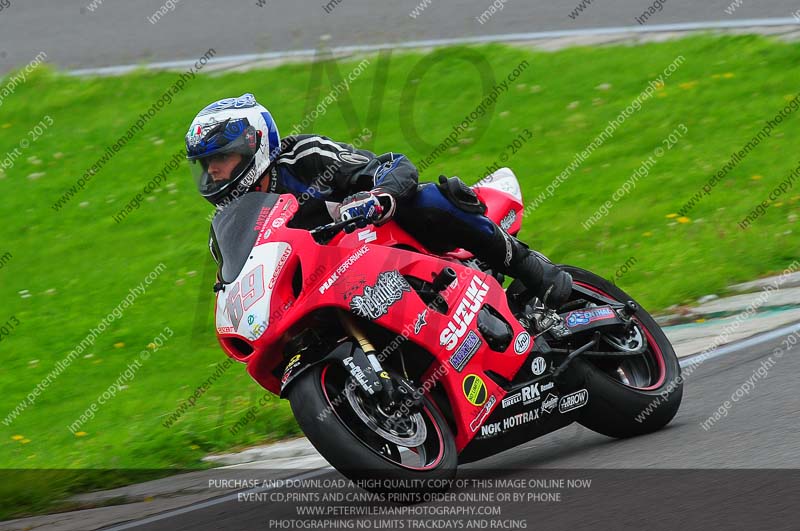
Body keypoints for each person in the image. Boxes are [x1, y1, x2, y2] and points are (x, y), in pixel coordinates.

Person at [186, 93, 572, 308]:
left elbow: (394, 166)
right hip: (337, 286)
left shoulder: (304, 157)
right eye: (207, 164)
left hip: (384, 241)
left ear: (254, 145)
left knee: (428, 198)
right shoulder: (229, 223)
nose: (214, 172)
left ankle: (528, 266)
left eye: (221, 158)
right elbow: (239, 279)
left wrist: (378, 197)